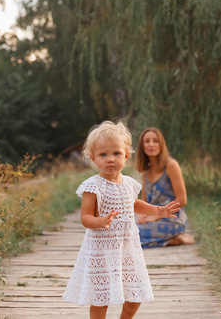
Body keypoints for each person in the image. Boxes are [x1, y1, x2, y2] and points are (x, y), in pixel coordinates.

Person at [62, 120, 181, 319]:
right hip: (102, 249)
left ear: (126, 156)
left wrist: (157, 211)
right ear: (93, 158)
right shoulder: (93, 186)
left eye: (116, 153)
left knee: (135, 295)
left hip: (127, 248)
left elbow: (133, 204)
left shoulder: (128, 184)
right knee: (102, 297)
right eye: (103, 154)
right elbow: (85, 217)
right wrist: (99, 221)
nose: (110, 159)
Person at [135, 127, 195, 248]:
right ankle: (172, 240)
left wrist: (157, 215)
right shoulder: (146, 170)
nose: (151, 144)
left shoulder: (171, 165)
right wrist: (144, 216)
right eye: (147, 141)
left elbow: (182, 199)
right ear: (142, 146)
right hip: (154, 219)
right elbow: (145, 201)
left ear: (161, 144)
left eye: (155, 141)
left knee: (132, 235)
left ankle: (174, 237)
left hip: (173, 221)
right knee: (127, 230)